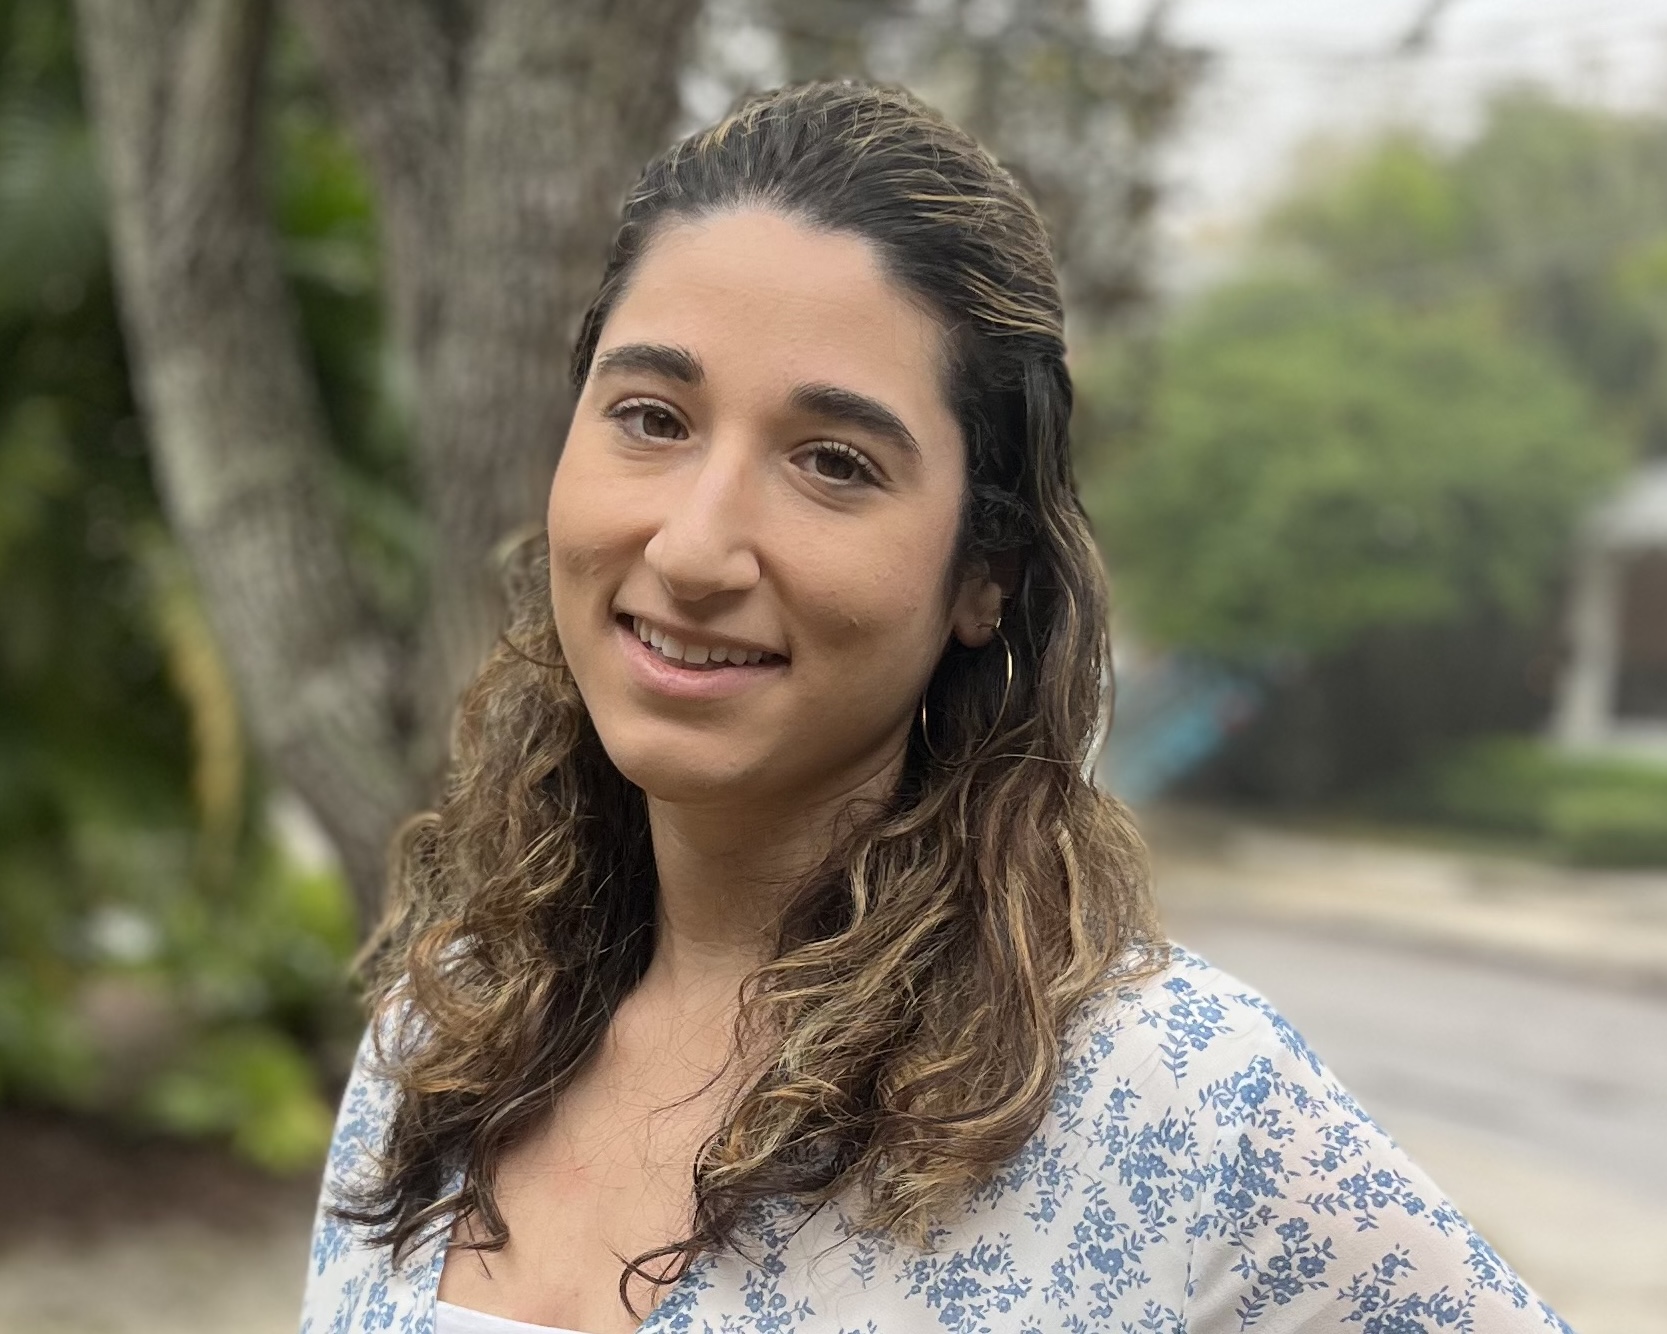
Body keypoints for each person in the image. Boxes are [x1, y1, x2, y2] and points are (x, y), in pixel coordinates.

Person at [300, 81, 1568, 1334]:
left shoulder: (1169, 1098)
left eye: (832, 461)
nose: (693, 548)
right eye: (652, 417)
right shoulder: (448, 1030)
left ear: (983, 572)